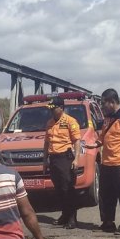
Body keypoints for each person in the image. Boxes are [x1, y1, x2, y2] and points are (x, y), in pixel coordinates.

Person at [87, 88, 120, 235]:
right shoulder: (108, 118)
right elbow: (103, 136)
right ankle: (108, 222)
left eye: (104, 103)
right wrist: (95, 144)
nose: (102, 106)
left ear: (113, 102)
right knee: (105, 195)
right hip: (106, 163)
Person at [42, 96, 81, 229]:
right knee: (58, 190)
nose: (51, 111)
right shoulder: (49, 123)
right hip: (53, 159)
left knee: (68, 189)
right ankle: (64, 215)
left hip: (65, 158)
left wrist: (76, 159)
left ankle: (72, 218)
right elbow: (47, 142)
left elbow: (76, 141)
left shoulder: (70, 121)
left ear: (61, 108)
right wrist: (44, 160)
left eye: (54, 108)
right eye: (50, 109)